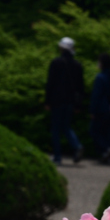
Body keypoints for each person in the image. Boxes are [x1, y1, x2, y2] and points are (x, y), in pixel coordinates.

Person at [44, 36, 84, 165]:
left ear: (61, 48)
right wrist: (79, 104)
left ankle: (57, 157)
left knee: (55, 128)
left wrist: (47, 101)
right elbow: (81, 87)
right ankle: (77, 145)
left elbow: (50, 83)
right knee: (66, 127)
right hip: (71, 101)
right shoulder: (78, 65)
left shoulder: (56, 63)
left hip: (56, 100)